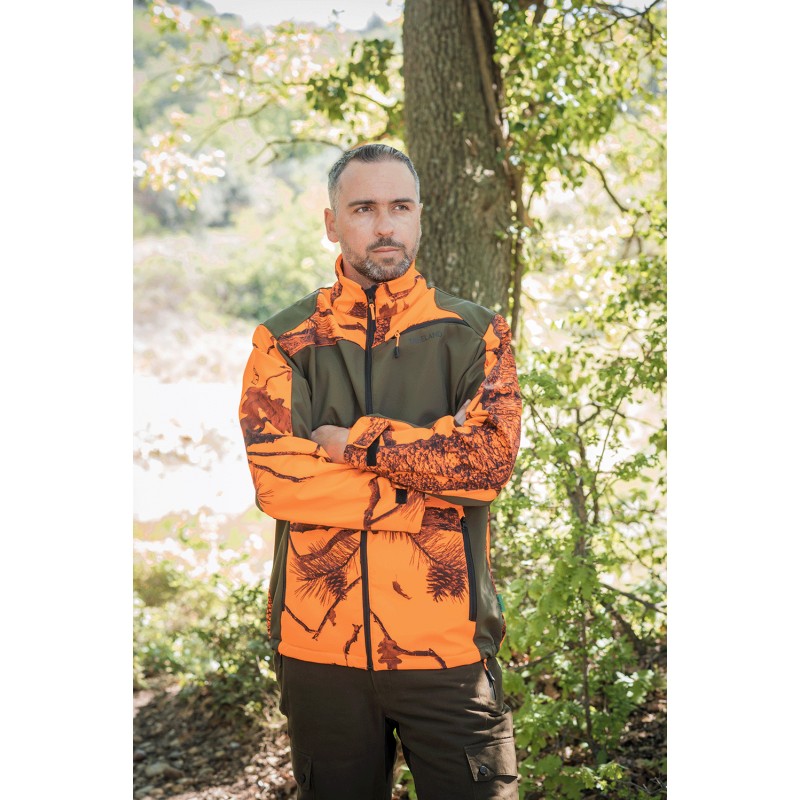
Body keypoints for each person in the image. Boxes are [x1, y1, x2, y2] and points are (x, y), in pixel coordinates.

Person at [238, 143, 522, 799]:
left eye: (400, 207)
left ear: (420, 217)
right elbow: (278, 480)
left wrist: (356, 443)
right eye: (364, 208)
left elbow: (486, 465)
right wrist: (427, 491)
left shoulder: (474, 334)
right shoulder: (284, 340)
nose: (385, 225)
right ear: (332, 222)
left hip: (449, 650)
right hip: (319, 653)